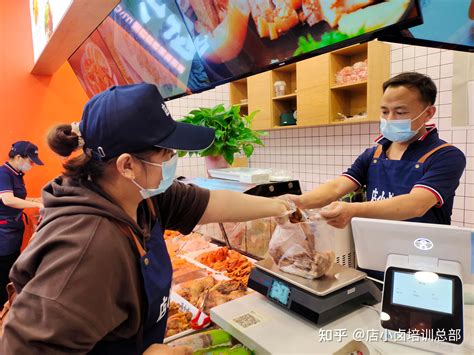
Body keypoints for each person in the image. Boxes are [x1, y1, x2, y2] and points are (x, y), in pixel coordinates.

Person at [0, 83, 294, 354]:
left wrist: (286, 205)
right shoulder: (87, 250)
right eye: (167, 152)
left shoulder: (140, 198)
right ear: (127, 165)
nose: (173, 159)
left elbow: (211, 202)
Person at [291, 72, 466, 229]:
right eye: (384, 111)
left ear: (428, 113)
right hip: (373, 247)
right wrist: (297, 201)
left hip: (423, 252)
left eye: (400, 112)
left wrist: (352, 210)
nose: (389, 119)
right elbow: (337, 187)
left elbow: (416, 204)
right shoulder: (373, 154)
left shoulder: (446, 155)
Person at [0, 141, 44, 305]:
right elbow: (8, 200)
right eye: (30, 161)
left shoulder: (16, 174)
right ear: (18, 157)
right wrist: (38, 205)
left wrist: (38, 199)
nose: (32, 165)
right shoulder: (3, 173)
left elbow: (18, 198)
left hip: (14, 230)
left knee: (11, 267)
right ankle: (3, 309)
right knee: (3, 272)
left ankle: (9, 303)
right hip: (3, 233)